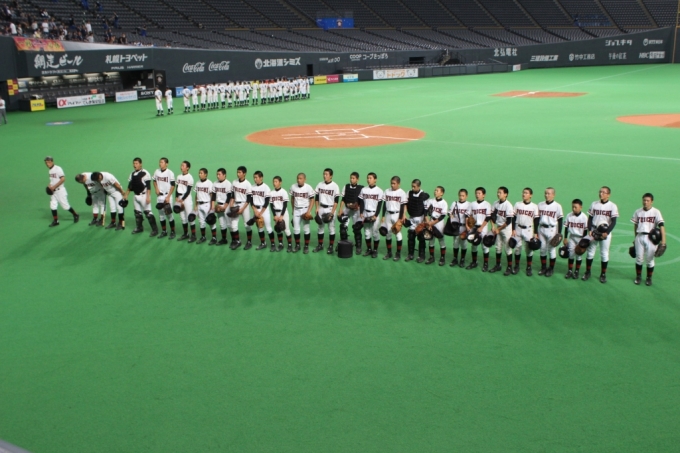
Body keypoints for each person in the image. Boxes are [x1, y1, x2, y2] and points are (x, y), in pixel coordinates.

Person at [584, 186, 619, 283]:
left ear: (608, 195)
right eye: (600, 192)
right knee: (590, 252)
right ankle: (587, 272)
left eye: (603, 192)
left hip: (605, 232)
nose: (601, 194)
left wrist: (607, 232)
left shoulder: (612, 206)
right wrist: (590, 229)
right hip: (594, 230)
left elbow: (614, 222)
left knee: (604, 253)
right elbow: (590, 218)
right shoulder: (594, 204)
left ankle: (603, 274)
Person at [631, 193, 665, 286]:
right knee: (639, 258)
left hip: (651, 238)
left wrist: (663, 242)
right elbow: (636, 226)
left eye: (647, 201)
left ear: (651, 202)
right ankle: (638, 276)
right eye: (644, 200)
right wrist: (635, 238)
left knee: (650, 259)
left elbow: (661, 226)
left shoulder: (656, 212)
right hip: (639, 236)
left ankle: (649, 278)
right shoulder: (638, 212)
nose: (645, 202)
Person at [123, 157, 158, 237]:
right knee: (137, 213)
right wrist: (126, 195)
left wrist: (148, 197)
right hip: (136, 196)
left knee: (148, 214)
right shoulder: (132, 174)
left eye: (136, 163)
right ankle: (139, 228)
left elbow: (148, 187)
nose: (135, 165)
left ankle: (155, 230)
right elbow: (130, 186)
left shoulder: (145, 173)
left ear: (140, 164)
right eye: (134, 163)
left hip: (144, 196)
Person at [536, 187, 563, 277]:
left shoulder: (557, 206)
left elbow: (560, 220)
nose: (546, 195)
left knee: (551, 249)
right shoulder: (540, 204)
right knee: (542, 249)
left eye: (548, 193)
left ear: (553, 195)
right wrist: (535, 231)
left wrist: (559, 233)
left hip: (552, 230)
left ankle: (551, 268)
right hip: (541, 229)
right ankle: (543, 267)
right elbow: (537, 219)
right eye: (545, 193)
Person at [45, 156, 79, 227]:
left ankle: (75, 214)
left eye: (49, 162)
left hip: (60, 191)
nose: (47, 164)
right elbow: (53, 180)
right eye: (46, 162)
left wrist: (54, 187)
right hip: (53, 192)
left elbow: (63, 179)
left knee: (65, 206)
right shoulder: (50, 170)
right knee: (53, 206)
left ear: (52, 161)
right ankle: (56, 221)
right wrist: (50, 185)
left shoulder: (58, 168)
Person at [512, 188, 539, 276]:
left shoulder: (534, 206)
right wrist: (513, 229)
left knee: (529, 249)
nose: (524, 194)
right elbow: (513, 217)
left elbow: (536, 220)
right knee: (517, 248)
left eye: (526, 193)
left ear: (531, 195)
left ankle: (529, 267)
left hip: (528, 230)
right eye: (523, 192)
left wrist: (535, 232)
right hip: (518, 228)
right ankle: (516, 266)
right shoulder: (517, 204)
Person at [313, 168, 340, 254]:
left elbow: (336, 201)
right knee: (320, 227)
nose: (324, 176)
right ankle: (320, 245)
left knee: (331, 228)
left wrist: (332, 212)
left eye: (326, 174)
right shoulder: (319, 184)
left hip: (330, 208)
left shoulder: (335, 186)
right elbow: (316, 198)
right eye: (324, 174)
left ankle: (331, 246)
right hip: (321, 208)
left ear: (331, 176)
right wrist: (317, 208)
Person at [489, 186, 515, 275]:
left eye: (500, 192)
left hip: (506, 229)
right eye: (498, 192)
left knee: (507, 248)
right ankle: (498, 265)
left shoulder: (508, 205)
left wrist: (498, 229)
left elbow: (508, 221)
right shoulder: (495, 203)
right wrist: (493, 226)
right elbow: (492, 216)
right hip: (498, 227)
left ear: (505, 194)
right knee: (498, 247)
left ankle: (509, 267)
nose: (498, 194)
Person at [380, 176, 407, 261]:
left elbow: (402, 206)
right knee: (388, 234)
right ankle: (389, 252)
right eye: (391, 183)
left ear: (398, 184)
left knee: (398, 234)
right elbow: (384, 204)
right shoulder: (387, 191)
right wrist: (383, 216)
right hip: (388, 214)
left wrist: (400, 219)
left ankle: (398, 253)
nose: (392, 185)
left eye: (394, 183)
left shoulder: (402, 193)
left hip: (397, 215)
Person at [337, 171, 364, 254]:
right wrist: (340, 209)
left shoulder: (361, 188)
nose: (351, 179)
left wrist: (359, 207)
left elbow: (362, 201)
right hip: (347, 209)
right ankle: (343, 244)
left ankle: (358, 246)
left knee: (357, 228)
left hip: (356, 211)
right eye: (351, 178)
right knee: (343, 227)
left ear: (357, 179)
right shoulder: (346, 186)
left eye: (353, 178)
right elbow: (343, 199)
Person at [466, 187, 492, 271]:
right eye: (476, 193)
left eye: (479, 193)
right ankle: (474, 262)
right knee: (474, 245)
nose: (477, 195)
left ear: (483, 195)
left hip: (483, 227)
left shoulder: (487, 204)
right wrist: (467, 226)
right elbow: (467, 215)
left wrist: (481, 227)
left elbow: (488, 217)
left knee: (484, 246)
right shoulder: (472, 204)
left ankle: (486, 264)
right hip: (474, 227)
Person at [403, 179, 429, 262]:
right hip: (411, 217)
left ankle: (422, 255)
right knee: (411, 236)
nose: (413, 188)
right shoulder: (409, 193)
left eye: (414, 186)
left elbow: (425, 209)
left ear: (419, 186)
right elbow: (406, 204)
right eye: (412, 186)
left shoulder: (423, 195)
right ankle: (410, 254)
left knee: (421, 237)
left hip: (420, 219)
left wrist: (426, 221)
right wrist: (404, 214)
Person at [359, 172, 383, 258]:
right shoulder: (364, 189)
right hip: (365, 213)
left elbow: (380, 204)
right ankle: (369, 249)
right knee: (367, 232)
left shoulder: (379, 191)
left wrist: (376, 215)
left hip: (374, 213)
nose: (368, 180)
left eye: (370, 178)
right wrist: (361, 212)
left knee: (375, 232)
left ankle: (375, 250)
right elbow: (361, 202)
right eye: (368, 178)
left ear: (375, 180)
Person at [289, 173, 315, 253]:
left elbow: (312, 200)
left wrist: (309, 211)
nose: (298, 180)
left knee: (306, 229)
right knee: (296, 229)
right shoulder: (293, 187)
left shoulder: (308, 187)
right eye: (298, 178)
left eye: (300, 178)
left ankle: (306, 246)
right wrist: (293, 209)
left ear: (304, 179)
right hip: (296, 210)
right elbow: (292, 198)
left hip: (305, 209)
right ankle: (297, 245)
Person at [228, 166, 253, 250]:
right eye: (237, 172)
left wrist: (242, 209)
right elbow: (232, 195)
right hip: (235, 204)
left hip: (244, 205)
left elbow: (249, 199)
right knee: (233, 225)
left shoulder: (247, 184)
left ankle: (249, 242)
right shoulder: (234, 182)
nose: (238, 174)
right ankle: (237, 241)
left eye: (240, 172)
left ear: (244, 173)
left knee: (247, 225)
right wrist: (231, 206)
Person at [563, 199, 588, 279]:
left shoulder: (584, 217)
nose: (574, 209)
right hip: (572, 237)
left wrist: (583, 242)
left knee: (578, 255)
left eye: (575, 207)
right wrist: (565, 237)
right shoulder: (569, 215)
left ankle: (576, 271)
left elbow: (585, 230)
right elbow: (566, 227)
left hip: (580, 238)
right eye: (573, 207)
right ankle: (570, 270)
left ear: (580, 207)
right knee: (571, 254)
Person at [250, 170, 274, 251]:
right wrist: (255, 210)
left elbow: (267, 202)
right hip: (256, 210)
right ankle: (263, 243)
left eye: (256, 177)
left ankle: (273, 244)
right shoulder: (252, 187)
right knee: (260, 227)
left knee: (268, 228)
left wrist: (261, 212)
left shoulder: (266, 187)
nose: (255, 179)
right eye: (254, 177)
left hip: (264, 210)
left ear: (261, 178)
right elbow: (251, 200)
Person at [152, 157, 176, 239]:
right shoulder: (156, 171)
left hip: (167, 196)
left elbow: (173, 185)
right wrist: (156, 188)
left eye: (162, 162)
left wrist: (168, 196)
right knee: (161, 215)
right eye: (160, 162)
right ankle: (164, 231)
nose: (160, 164)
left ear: (166, 164)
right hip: (159, 196)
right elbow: (154, 181)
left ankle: (173, 232)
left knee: (169, 215)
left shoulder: (170, 173)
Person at [423, 186, 447, 265]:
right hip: (430, 221)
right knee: (431, 240)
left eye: (437, 191)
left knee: (441, 240)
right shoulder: (431, 201)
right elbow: (425, 211)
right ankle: (431, 257)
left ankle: (442, 258)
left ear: (442, 193)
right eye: (435, 190)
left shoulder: (444, 203)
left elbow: (442, 216)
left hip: (439, 223)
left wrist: (432, 223)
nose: (435, 192)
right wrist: (427, 221)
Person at [448, 189, 471, 268]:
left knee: (464, 244)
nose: (461, 197)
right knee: (455, 243)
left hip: (464, 227)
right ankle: (455, 258)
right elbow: (450, 212)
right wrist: (451, 216)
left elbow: (469, 216)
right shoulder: (454, 203)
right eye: (460, 195)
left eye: (463, 196)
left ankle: (462, 259)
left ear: (466, 196)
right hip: (456, 227)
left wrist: (469, 226)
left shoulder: (469, 204)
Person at [270, 176, 293, 252]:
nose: (274, 183)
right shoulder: (271, 193)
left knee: (286, 230)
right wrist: (274, 215)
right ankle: (281, 244)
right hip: (276, 213)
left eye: (276, 181)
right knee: (278, 229)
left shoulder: (283, 192)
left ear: (280, 182)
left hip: (283, 213)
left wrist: (282, 215)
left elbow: (285, 205)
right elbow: (271, 205)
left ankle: (290, 245)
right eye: (274, 181)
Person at [212, 168, 233, 246]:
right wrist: (213, 207)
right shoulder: (215, 183)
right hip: (219, 205)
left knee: (229, 224)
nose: (218, 176)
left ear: (224, 175)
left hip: (226, 205)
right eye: (217, 174)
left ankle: (234, 240)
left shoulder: (228, 184)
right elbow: (213, 196)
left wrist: (225, 207)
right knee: (222, 224)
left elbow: (229, 196)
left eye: (219, 174)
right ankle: (224, 239)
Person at [175, 161, 195, 241]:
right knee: (183, 217)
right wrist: (176, 197)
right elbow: (177, 188)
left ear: (187, 168)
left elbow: (188, 191)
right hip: (179, 197)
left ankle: (193, 235)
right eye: (181, 165)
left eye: (183, 166)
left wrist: (182, 199)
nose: (181, 167)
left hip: (186, 198)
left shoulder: (190, 177)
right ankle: (186, 234)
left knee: (190, 217)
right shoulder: (179, 176)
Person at [193, 168, 213, 244]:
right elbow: (196, 195)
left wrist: (211, 207)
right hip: (199, 204)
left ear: (205, 174)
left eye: (201, 173)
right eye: (199, 173)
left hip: (207, 204)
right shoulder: (197, 183)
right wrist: (195, 205)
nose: (199, 174)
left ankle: (214, 238)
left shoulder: (209, 183)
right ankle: (203, 237)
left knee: (211, 221)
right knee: (201, 222)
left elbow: (211, 195)